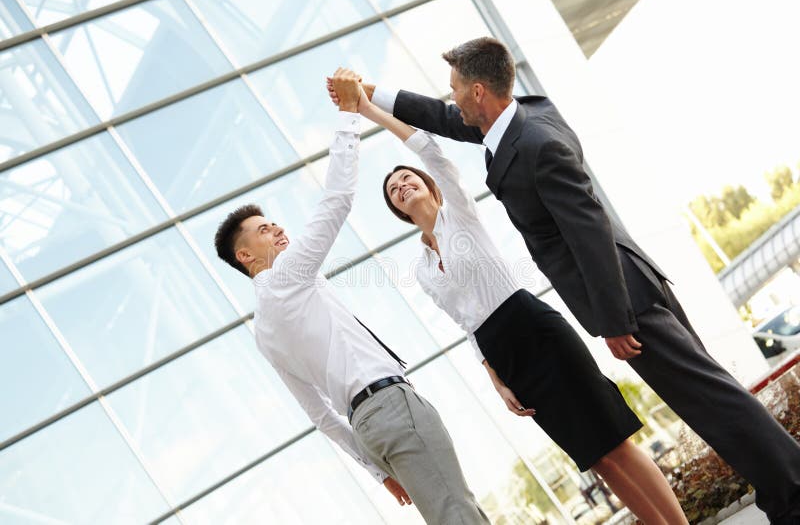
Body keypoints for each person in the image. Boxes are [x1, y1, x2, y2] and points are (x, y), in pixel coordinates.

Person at [330, 38, 800, 524]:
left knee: (711, 401)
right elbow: (443, 120)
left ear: (476, 92)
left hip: (626, 298)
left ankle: (791, 494)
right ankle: (782, 493)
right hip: (626, 287)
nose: (450, 100)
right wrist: (369, 94)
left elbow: (590, 229)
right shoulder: (521, 119)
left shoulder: (536, 145)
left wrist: (615, 320)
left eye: (454, 90)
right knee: (706, 402)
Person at [346, 77, 688, 524]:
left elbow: (430, 149)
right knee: (595, 458)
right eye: (393, 190)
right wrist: (495, 379)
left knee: (615, 439)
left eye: (406, 178)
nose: (401, 186)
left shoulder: (459, 214)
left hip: (533, 326)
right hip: (504, 354)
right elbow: (466, 324)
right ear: (397, 210)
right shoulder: (422, 268)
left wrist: (369, 111)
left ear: (428, 186)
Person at [214, 69, 489, 524]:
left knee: (451, 513)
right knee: (459, 513)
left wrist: (377, 472)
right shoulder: (286, 277)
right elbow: (338, 198)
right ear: (246, 256)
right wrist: (348, 114)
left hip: (368, 428)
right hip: (390, 406)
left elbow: (320, 416)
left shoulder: (263, 332)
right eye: (265, 230)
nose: (279, 229)